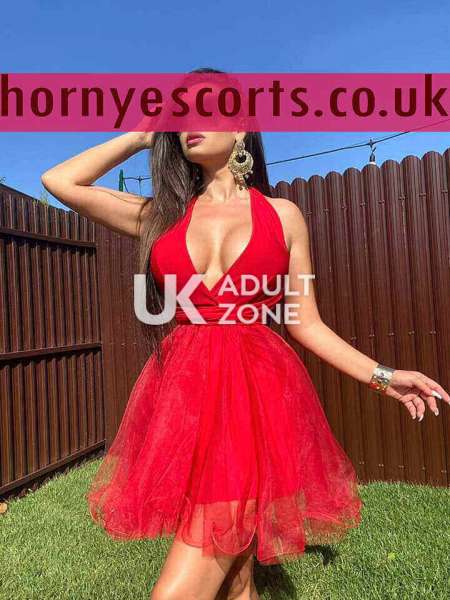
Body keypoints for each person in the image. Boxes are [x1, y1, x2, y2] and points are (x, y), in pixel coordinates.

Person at [41, 70, 449, 600]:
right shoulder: (159, 216)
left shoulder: (283, 217)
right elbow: (60, 181)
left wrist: (385, 376)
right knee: (234, 581)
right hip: (184, 400)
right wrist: (142, 135)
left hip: (252, 400)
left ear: (239, 127)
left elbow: (305, 322)